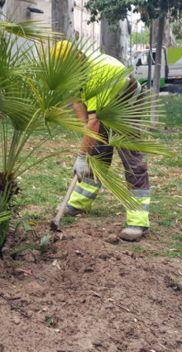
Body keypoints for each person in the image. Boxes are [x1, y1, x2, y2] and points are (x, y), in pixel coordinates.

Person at [54, 41, 152, 242]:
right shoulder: (72, 72)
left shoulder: (98, 72)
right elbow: (78, 103)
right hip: (103, 106)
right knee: (97, 154)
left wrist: (81, 155)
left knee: (132, 161)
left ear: (78, 58)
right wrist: (86, 140)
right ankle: (79, 202)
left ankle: (138, 220)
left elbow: (94, 121)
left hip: (126, 103)